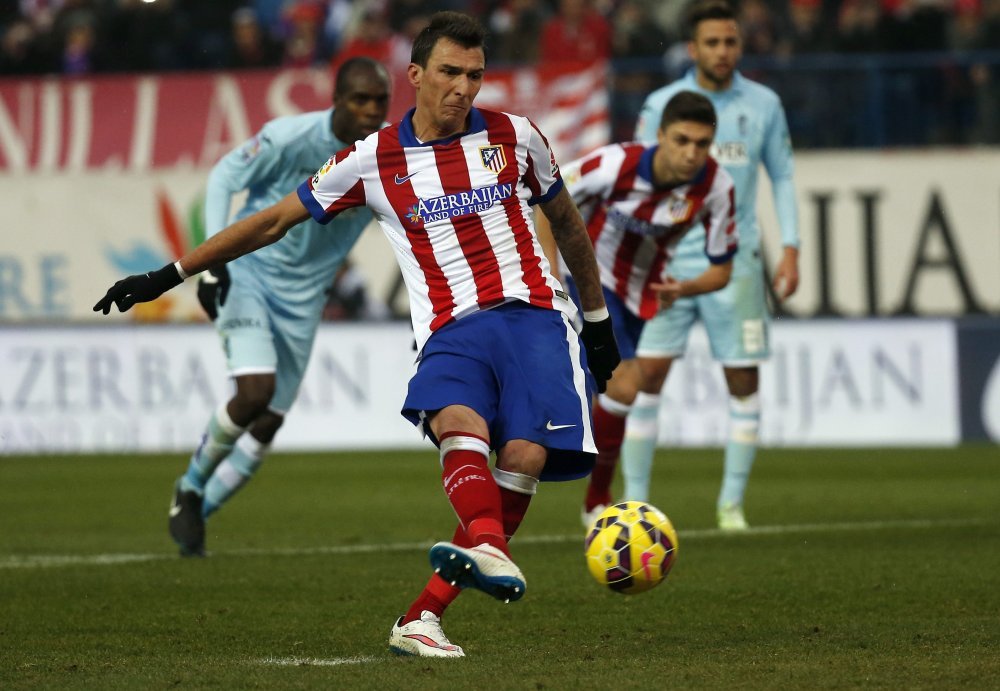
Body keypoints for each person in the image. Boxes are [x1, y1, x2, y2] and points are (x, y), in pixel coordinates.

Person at [94, 11, 619, 658]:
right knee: (456, 423)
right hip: (450, 326)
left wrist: (598, 324)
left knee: (525, 458)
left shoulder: (517, 136)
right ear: (416, 75)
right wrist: (168, 274)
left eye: (475, 75)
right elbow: (272, 220)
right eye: (450, 72)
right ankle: (487, 544)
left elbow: (567, 223)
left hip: (535, 315)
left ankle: (422, 617)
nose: (463, 87)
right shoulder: (372, 159)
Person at [164, 56, 391, 557]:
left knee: (268, 421)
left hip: (306, 296)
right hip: (250, 272)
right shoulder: (291, 137)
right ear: (337, 100)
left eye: (381, 101)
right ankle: (191, 485)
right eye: (360, 99)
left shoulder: (386, 158)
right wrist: (214, 264)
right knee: (255, 392)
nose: (372, 111)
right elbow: (224, 177)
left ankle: (197, 514)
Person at [616, 0, 801, 530]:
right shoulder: (662, 105)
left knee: (742, 378)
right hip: (667, 262)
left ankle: (731, 505)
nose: (723, 51)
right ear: (692, 48)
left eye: (731, 41)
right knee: (645, 377)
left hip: (736, 265)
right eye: (713, 42)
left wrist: (791, 246)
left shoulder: (764, 103)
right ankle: (635, 505)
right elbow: (641, 180)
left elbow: (782, 175)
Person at [537, 91, 737, 529]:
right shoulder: (614, 164)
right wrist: (551, 274)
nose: (691, 153)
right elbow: (546, 203)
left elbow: (722, 270)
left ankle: (581, 480)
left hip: (639, 295)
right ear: (660, 135)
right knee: (626, 385)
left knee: (615, 394)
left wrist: (684, 288)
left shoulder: (717, 187)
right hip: (584, 276)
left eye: (702, 144)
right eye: (682, 140)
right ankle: (595, 498)